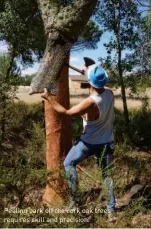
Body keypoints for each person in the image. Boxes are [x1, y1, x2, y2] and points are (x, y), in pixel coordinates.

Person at [41, 64, 115, 217]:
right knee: (107, 175)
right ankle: (111, 209)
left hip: (89, 143)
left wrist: (48, 98)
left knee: (69, 163)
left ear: (89, 82)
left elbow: (66, 112)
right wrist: (86, 73)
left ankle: (75, 203)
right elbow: (104, 85)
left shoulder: (91, 102)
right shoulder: (110, 94)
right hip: (107, 142)